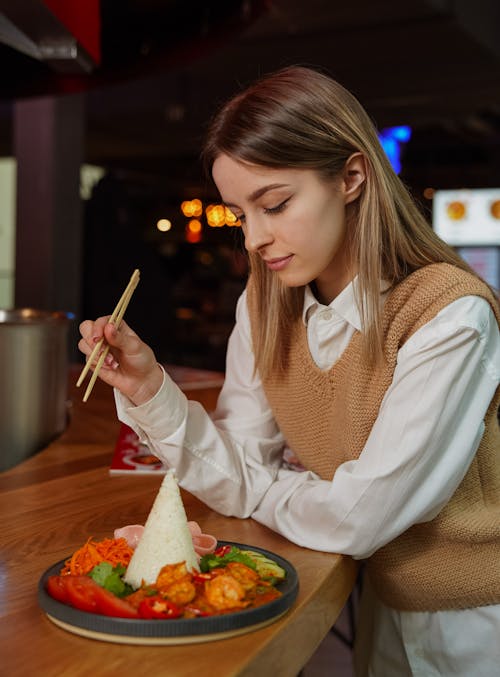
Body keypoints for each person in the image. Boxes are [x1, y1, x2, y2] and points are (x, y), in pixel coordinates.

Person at [79, 66, 500, 676]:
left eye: (274, 204)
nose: (254, 238)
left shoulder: (449, 314)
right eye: (240, 214)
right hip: (383, 597)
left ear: (352, 176)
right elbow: (238, 471)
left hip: (478, 616)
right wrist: (150, 389)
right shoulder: (266, 303)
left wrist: (266, 486)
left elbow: (360, 517)